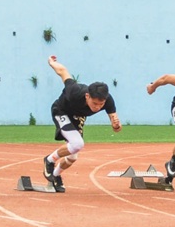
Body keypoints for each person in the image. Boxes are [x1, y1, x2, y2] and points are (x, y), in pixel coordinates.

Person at [43, 56, 121, 193]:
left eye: (101, 104)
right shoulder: (75, 91)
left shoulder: (108, 100)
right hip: (61, 111)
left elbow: (115, 125)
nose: (97, 107)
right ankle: (49, 160)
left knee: (72, 156)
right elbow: (63, 71)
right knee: (77, 144)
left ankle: (55, 176)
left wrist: (116, 126)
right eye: (95, 103)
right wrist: (52, 62)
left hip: (77, 118)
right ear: (87, 96)